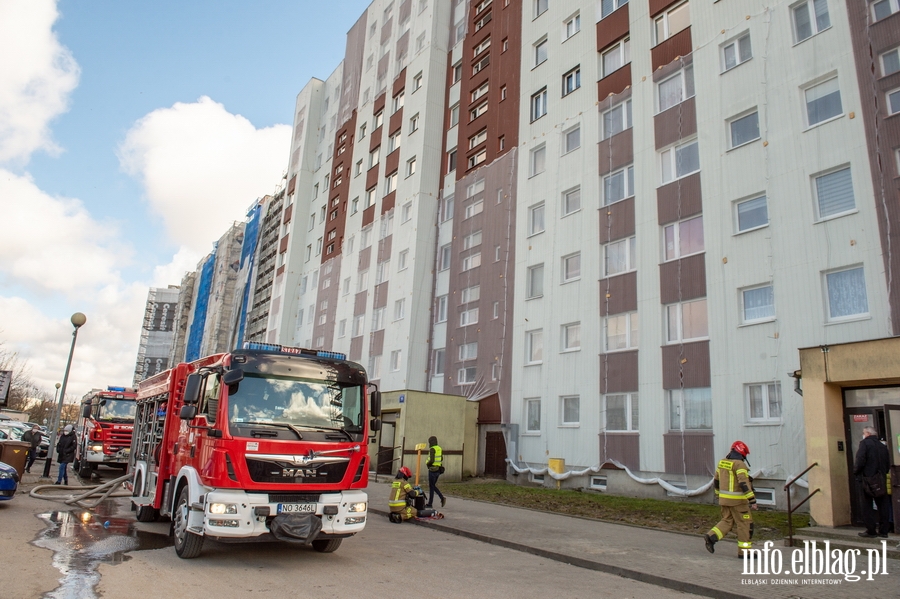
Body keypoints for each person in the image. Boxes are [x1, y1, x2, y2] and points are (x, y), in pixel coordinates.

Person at [704, 441, 757, 558]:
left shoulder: (722, 462)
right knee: (745, 524)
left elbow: (716, 481)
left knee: (727, 520)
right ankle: (744, 552)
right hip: (738, 502)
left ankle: (711, 536)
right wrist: (752, 500)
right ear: (742, 453)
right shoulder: (739, 465)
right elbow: (743, 483)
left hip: (724, 500)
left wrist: (718, 495)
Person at [853, 426, 891, 538]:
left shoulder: (864, 444)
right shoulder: (882, 446)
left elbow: (860, 460)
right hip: (881, 478)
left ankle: (871, 530)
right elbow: (887, 463)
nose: (863, 434)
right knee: (883, 504)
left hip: (867, 479)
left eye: (863, 432)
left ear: (868, 433)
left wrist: (856, 472)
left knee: (867, 504)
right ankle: (884, 530)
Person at [426, 435, 446, 508]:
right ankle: (441, 498)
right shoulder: (439, 448)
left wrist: (427, 464)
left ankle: (430, 503)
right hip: (438, 470)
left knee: (432, 487)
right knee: (433, 486)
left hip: (432, 470)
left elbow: (431, 460)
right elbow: (441, 458)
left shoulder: (432, 449)